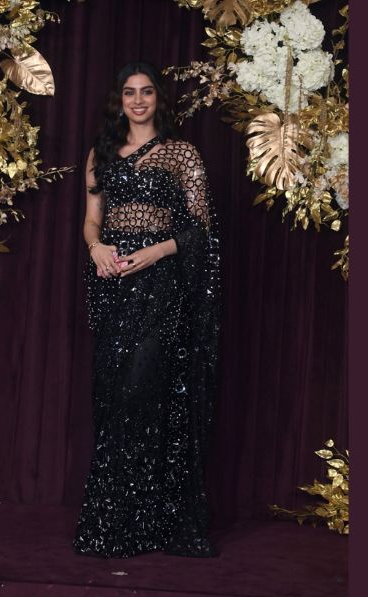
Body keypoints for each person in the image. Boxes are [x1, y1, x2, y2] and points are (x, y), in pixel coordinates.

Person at [73, 61, 221, 558]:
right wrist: (96, 248)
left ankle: (151, 521)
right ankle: (112, 521)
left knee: (143, 393)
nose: (138, 101)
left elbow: (201, 228)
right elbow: (92, 222)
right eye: (129, 93)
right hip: (112, 281)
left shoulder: (182, 154)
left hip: (160, 285)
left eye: (147, 92)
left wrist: (156, 252)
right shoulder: (100, 153)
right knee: (112, 396)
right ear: (119, 100)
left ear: (159, 98)